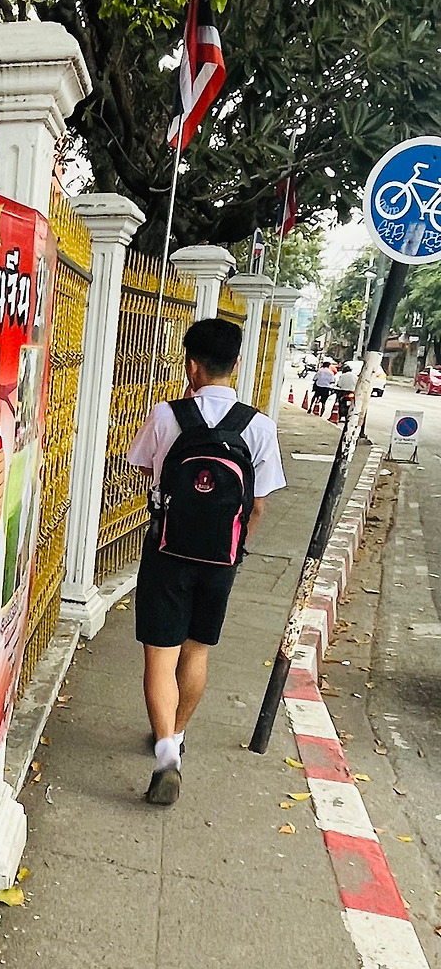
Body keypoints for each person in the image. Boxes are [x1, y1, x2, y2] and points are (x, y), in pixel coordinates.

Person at [127, 318, 286, 807]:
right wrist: (234, 551)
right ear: (236, 363)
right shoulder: (258, 426)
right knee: (196, 651)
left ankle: (165, 756)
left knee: (160, 655)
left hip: (167, 553)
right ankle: (176, 734)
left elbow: (145, 470)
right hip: (221, 560)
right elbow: (258, 505)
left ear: (191, 366)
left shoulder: (166, 415)